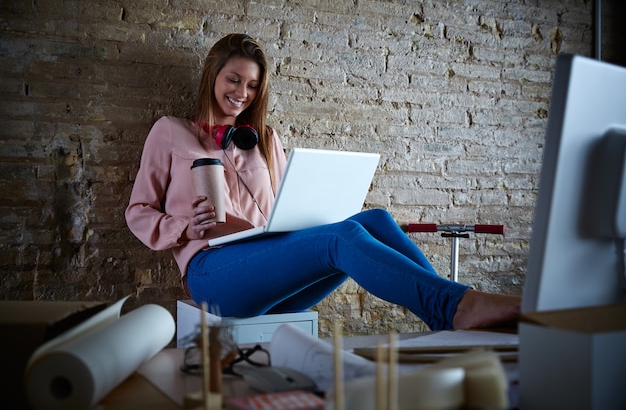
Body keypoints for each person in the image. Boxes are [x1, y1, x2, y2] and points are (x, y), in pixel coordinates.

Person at [125, 33, 520, 331]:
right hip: (213, 274)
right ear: (213, 75)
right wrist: (181, 227)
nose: (241, 93)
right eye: (233, 80)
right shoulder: (171, 133)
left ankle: (446, 315)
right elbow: (138, 210)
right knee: (340, 238)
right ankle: (457, 308)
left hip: (273, 266)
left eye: (251, 86)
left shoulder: (265, 139)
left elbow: (284, 209)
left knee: (376, 219)